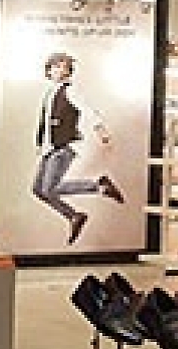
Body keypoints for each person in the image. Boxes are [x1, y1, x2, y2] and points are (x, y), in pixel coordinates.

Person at [31, 52, 125, 245]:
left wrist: (100, 129)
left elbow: (87, 109)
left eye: (64, 67)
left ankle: (98, 187)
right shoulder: (51, 92)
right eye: (56, 67)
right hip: (49, 148)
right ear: (49, 70)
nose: (60, 70)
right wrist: (41, 143)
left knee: (49, 189)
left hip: (63, 147)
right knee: (38, 190)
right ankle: (75, 215)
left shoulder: (70, 91)